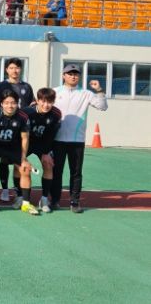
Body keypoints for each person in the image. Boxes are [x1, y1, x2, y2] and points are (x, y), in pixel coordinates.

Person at [51, 64, 107, 213]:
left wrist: (99, 90)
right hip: (57, 140)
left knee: (76, 173)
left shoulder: (86, 93)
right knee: (56, 172)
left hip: (77, 140)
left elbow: (102, 106)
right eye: (70, 74)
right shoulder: (55, 92)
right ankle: (55, 200)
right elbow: (44, 105)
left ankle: (74, 202)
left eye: (76, 74)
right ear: (64, 76)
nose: (73, 76)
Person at [0, 90, 38, 215]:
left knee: (25, 169)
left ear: (17, 103)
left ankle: (25, 203)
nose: (10, 106)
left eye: (13, 103)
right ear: (1, 104)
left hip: (13, 146)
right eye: (7, 103)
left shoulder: (23, 117)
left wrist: (23, 158)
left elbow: (25, 138)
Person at [0, 57, 35, 202]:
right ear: (7, 70)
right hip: (4, 127)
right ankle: (5, 190)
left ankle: (18, 191)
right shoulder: (0, 86)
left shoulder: (26, 87)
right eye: (11, 68)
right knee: (4, 160)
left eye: (17, 68)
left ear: (21, 69)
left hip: (20, 128)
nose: (14, 70)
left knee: (19, 161)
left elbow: (32, 105)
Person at [22, 88, 62, 213]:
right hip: (27, 142)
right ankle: (21, 197)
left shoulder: (56, 114)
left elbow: (51, 135)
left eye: (49, 102)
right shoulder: (26, 112)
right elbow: (21, 133)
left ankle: (44, 199)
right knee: (21, 166)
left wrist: (46, 153)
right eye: (43, 101)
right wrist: (22, 155)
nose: (46, 105)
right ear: (37, 101)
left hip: (43, 143)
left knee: (48, 164)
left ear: (53, 102)